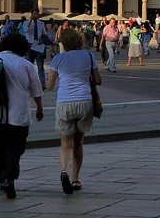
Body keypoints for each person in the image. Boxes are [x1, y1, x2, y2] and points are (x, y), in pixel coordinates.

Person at [0, 31, 45, 199]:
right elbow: (36, 91)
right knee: (16, 148)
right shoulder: (26, 65)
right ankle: (9, 176)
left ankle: (2, 179)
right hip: (18, 114)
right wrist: (39, 108)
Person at [46, 26, 100, 194]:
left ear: (63, 42)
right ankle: (76, 179)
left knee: (65, 143)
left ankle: (64, 171)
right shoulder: (89, 56)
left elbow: (49, 86)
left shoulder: (58, 59)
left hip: (64, 102)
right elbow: (98, 80)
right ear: (79, 40)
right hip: (85, 101)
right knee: (79, 142)